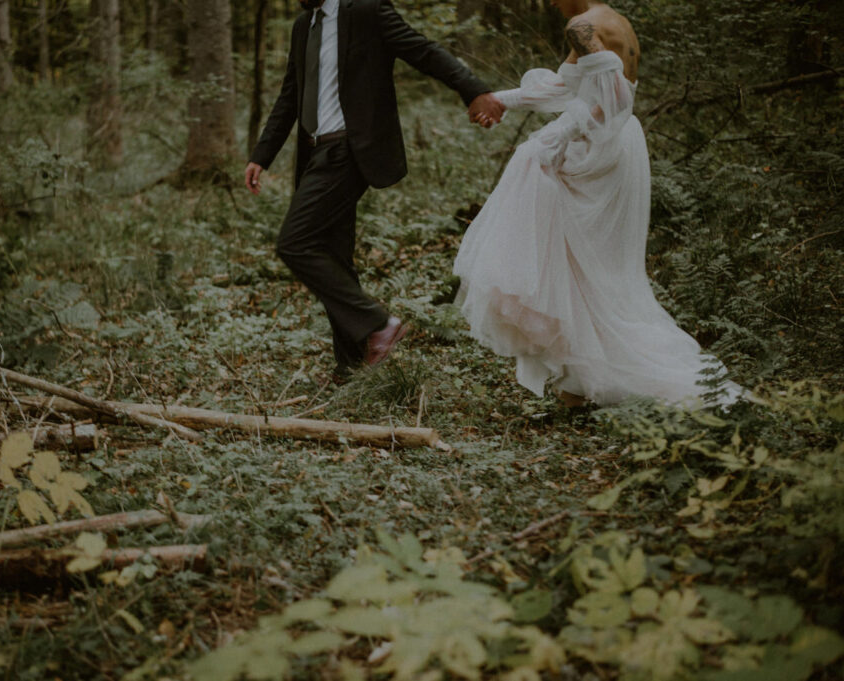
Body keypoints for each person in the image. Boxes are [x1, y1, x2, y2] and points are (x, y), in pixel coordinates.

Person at [454, 0, 742, 407]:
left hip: (601, 153)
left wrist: (559, 136)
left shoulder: (582, 26)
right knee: (587, 269)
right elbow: (565, 87)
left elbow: (616, 99)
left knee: (586, 267)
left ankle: (595, 378)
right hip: (618, 145)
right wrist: (497, 99)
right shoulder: (613, 21)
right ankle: (578, 385)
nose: (551, 2)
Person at [245, 0, 504, 382]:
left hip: (350, 151)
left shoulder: (365, 11)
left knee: (295, 242)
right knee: (333, 253)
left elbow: (423, 51)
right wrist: (262, 155)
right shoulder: (304, 25)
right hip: (314, 154)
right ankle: (349, 368)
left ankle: (379, 324)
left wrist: (474, 90)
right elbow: (290, 95)